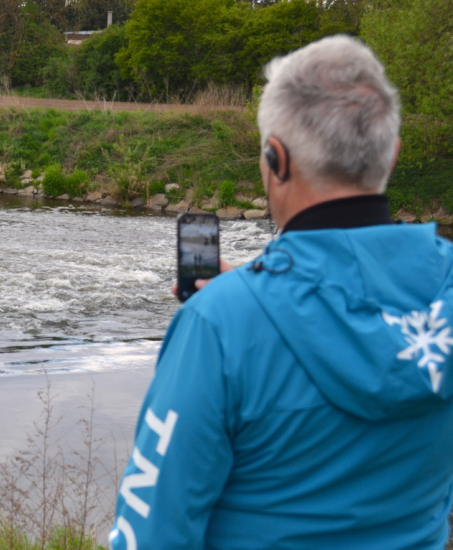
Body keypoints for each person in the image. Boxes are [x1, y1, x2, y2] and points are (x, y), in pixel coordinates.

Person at [111, 35, 453, 550]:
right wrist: (260, 292)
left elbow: (149, 536)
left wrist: (244, 305)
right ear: (393, 154)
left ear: (276, 158)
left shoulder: (218, 326)